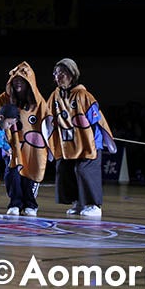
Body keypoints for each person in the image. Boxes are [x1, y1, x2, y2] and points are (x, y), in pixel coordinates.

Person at [46, 58, 115, 218]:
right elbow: (48, 117)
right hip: (68, 143)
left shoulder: (83, 95)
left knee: (84, 170)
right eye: (56, 73)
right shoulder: (55, 96)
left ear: (72, 74)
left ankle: (94, 204)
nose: (58, 76)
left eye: (62, 73)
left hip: (88, 143)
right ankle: (77, 201)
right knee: (64, 169)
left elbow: (96, 120)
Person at [0, 61, 51, 217]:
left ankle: (30, 204)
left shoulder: (39, 102)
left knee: (30, 174)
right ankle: (15, 203)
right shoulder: (3, 100)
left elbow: (47, 124)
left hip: (33, 146)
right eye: (15, 80)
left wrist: (50, 146)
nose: (18, 82)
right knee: (12, 173)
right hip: (12, 144)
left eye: (22, 80)